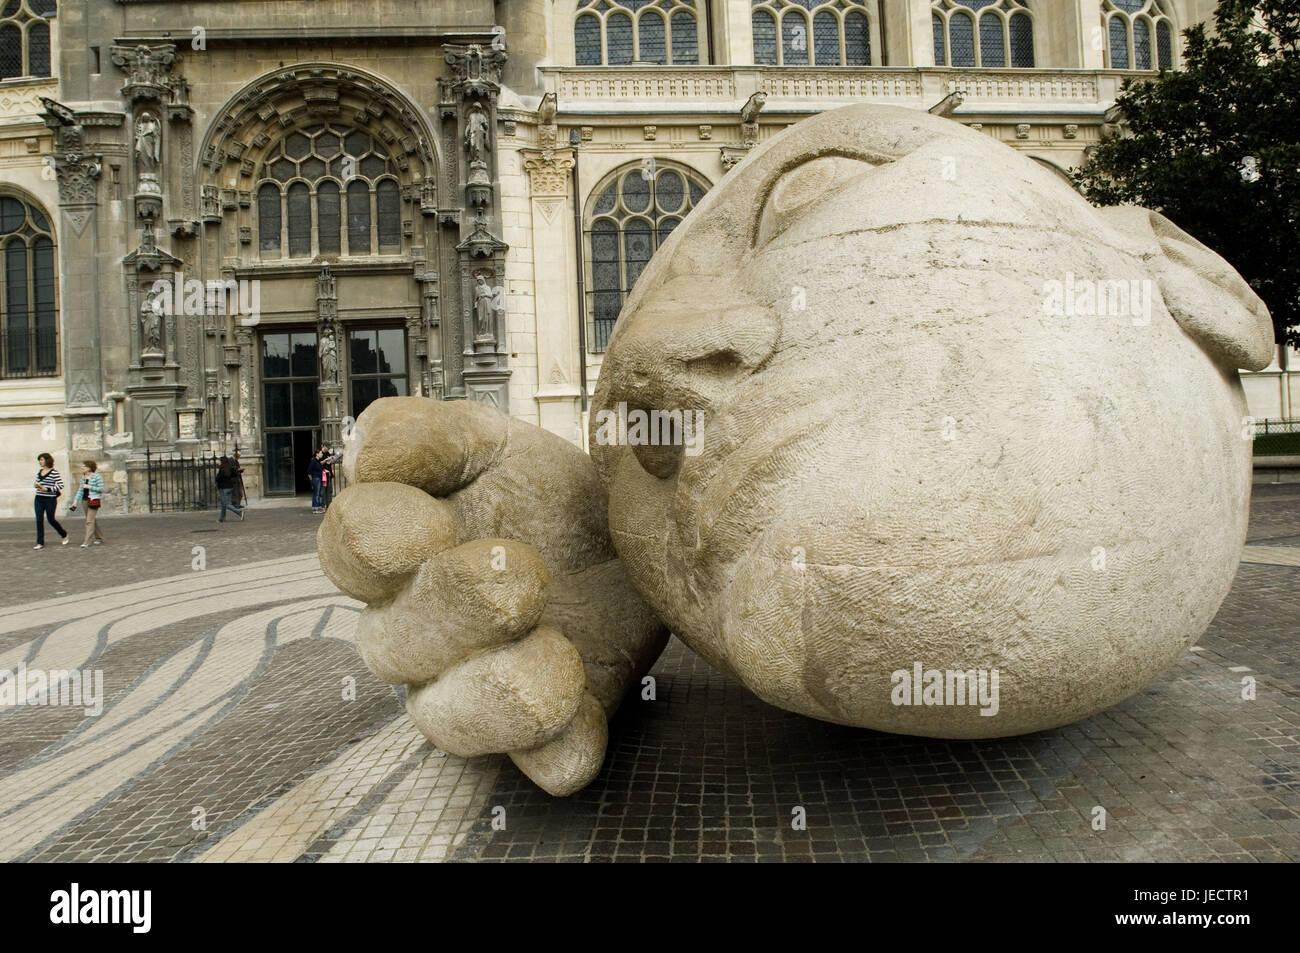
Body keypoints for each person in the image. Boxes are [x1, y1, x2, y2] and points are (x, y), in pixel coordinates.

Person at [33, 452, 69, 549]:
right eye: (39, 460)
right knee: (39, 520)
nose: (40, 462)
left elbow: (60, 485)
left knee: (51, 519)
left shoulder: (54, 472)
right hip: (39, 498)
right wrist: (36, 485)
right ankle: (40, 542)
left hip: (50, 499)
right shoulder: (39, 472)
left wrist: (48, 489)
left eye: (41, 460)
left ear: (47, 460)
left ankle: (63, 534)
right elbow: (36, 482)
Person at [67, 460, 106, 548]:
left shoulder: (97, 477)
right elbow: (80, 491)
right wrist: (75, 501)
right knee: (91, 520)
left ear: (89, 468)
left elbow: (101, 489)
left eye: (84, 466)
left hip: (93, 500)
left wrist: (88, 486)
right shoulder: (83, 478)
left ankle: (87, 541)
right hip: (84, 501)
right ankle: (99, 537)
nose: (82, 467)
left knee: (89, 521)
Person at [216, 455, 245, 523]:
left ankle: (239, 512)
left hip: (224, 488)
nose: (218, 462)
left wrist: (217, 479)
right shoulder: (229, 468)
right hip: (229, 487)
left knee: (226, 504)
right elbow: (235, 474)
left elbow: (218, 478)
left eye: (219, 461)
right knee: (223, 503)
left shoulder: (222, 469)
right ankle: (222, 519)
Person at [308, 449, 325, 513]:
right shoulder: (313, 461)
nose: (322, 454)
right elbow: (309, 472)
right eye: (321, 453)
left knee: (320, 494)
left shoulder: (318, 461)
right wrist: (312, 481)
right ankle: (315, 509)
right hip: (316, 479)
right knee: (316, 494)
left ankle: (319, 507)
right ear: (317, 454)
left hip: (319, 479)